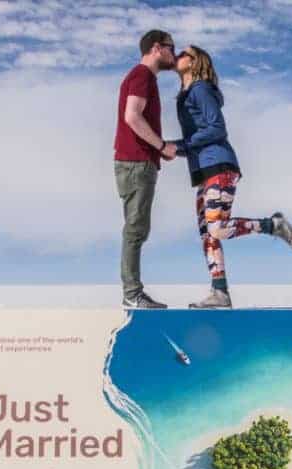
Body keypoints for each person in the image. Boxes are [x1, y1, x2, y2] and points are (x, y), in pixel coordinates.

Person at [168, 46, 292, 309]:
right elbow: (196, 137)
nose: (177, 56)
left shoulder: (201, 89)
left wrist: (178, 146)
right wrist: (176, 149)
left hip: (219, 165)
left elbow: (217, 128)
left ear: (196, 62)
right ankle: (220, 292)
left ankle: (273, 225)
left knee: (217, 227)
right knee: (209, 234)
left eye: (184, 53)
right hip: (204, 170)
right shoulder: (185, 96)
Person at [114, 29, 179, 309]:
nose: (173, 55)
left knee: (138, 227)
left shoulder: (141, 77)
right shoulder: (142, 75)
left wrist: (158, 149)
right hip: (136, 162)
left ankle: (133, 292)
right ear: (156, 48)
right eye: (171, 48)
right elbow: (132, 116)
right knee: (136, 229)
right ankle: (132, 293)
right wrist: (161, 145)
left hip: (139, 160)